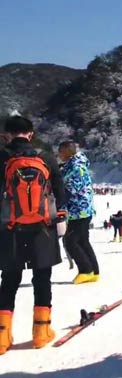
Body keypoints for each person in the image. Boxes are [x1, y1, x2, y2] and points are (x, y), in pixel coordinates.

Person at [0, 116, 68, 354]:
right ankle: (41, 333)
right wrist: (59, 215)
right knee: (42, 279)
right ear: (30, 134)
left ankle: (2, 337)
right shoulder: (45, 157)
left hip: (8, 229)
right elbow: (61, 190)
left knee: (8, 281)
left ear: (7, 134)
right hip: (43, 228)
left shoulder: (2, 157)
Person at [58, 141, 99, 285]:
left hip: (79, 210)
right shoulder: (72, 164)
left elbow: (71, 189)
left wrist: (58, 202)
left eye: (61, 151)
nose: (59, 154)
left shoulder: (77, 167)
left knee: (70, 241)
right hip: (80, 209)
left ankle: (85, 270)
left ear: (68, 151)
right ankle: (94, 272)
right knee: (82, 240)